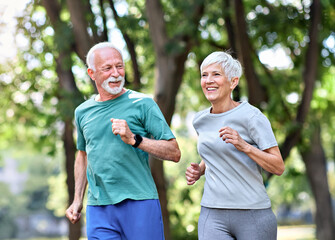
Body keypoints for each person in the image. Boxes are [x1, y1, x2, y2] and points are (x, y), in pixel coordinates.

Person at [65, 42, 181, 239]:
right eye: (107, 68)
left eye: (119, 66)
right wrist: (77, 199)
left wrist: (135, 139)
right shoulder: (82, 112)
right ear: (92, 74)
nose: (115, 73)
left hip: (140, 202)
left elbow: (174, 152)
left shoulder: (143, 103)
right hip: (98, 208)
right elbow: (83, 155)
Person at [185, 51, 285, 240]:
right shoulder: (200, 120)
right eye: (204, 75)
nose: (208, 80)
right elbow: (215, 152)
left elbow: (278, 166)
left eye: (216, 74)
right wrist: (200, 169)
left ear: (233, 82)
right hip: (212, 212)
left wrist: (244, 145)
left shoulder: (252, 117)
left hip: (253, 213)